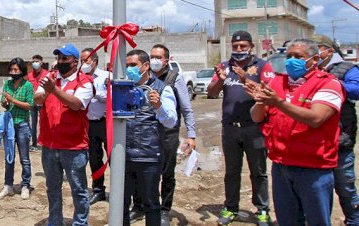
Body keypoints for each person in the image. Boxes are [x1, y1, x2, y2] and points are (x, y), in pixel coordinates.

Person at [247, 38, 345, 225]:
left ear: (314, 60)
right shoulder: (277, 82)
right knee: (288, 220)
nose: (292, 60)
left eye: (298, 56)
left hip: (313, 168)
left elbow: (316, 118)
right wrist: (260, 101)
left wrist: (279, 103)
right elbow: (256, 117)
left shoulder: (328, 84)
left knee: (317, 220)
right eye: (289, 56)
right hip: (281, 165)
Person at [207, 30, 273, 225]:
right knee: (232, 171)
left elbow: (268, 93)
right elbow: (211, 93)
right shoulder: (224, 66)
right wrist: (220, 79)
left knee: (258, 171)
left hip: (255, 128)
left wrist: (246, 78)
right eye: (235, 46)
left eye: (243, 46)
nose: (238, 50)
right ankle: (230, 208)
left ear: (251, 47)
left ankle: (262, 210)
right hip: (230, 128)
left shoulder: (262, 66)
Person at [129, 44, 196, 225]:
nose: (154, 60)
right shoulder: (136, 82)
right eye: (152, 56)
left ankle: (164, 209)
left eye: (158, 57)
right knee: (139, 171)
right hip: (143, 134)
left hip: (167, 132)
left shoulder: (174, 79)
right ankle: (138, 206)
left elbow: (186, 109)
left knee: (166, 172)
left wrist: (191, 135)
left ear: (166, 60)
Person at [34, 43, 94, 226]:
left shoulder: (84, 81)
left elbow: (77, 104)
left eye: (64, 58)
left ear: (74, 62)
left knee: (79, 190)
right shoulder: (50, 78)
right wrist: (46, 91)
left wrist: (54, 90)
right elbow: (37, 99)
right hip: (50, 146)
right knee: (53, 189)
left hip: (74, 147)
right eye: (58, 58)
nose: (60, 61)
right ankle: (55, 221)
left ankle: (80, 223)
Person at [123, 49, 177, 226]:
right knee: (121, 204)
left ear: (145, 66)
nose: (129, 69)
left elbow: (171, 121)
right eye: (127, 65)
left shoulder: (162, 88)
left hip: (149, 156)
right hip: (124, 156)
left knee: (151, 204)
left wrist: (159, 106)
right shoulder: (123, 88)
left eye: (133, 65)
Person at [311, 34, 359, 226]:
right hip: (314, 140)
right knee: (316, 188)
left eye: (318, 49)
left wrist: (332, 83)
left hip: (340, 139)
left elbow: (357, 90)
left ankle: (354, 220)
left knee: (345, 186)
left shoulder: (348, 69)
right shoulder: (311, 69)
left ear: (329, 51)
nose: (315, 54)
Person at [0, 57, 34, 200]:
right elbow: (4, 104)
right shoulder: (7, 84)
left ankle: (25, 186)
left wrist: (12, 100)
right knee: (9, 158)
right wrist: (6, 103)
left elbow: (29, 105)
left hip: (22, 125)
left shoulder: (28, 86)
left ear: (22, 70)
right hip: (9, 125)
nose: (13, 72)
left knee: (24, 158)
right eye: (11, 69)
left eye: (16, 70)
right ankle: (8, 186)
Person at [80, 48, 111, 205]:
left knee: (113, 158)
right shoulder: (80, 78)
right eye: (81, 61)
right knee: (94, 158)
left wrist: (94, 92)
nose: (83, 63)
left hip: (106, 122)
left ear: (95, 61)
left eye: (86, 60)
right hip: (89, 124)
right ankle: (98, 190)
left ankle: (120, 191)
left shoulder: (106, 77)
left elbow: (109, 98)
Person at [27, 54, 49, 151]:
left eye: (37, 61)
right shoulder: (29, 75)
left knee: (44, 122)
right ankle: (34, 144)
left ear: (41, 62)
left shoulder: (47, 74)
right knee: (33, 123)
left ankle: (44, 143)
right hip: (33, 103)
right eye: (33, 62)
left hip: (43, 102)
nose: (35, 63)